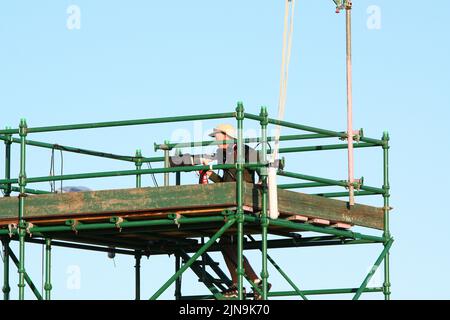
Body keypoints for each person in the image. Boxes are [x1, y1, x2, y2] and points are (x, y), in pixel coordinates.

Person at [201, 123, 271, 300]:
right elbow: (226, 185)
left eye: (216, 135)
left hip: (244, 202)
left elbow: (263, 170)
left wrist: (264, 185)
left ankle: (241, 284)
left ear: (226, 135)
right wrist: (211, 175)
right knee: (227, 243)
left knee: (226, 243)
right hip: (234, 202)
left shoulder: (243, 152)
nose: (215, 139)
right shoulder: (226, 155)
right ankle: (252, 281)